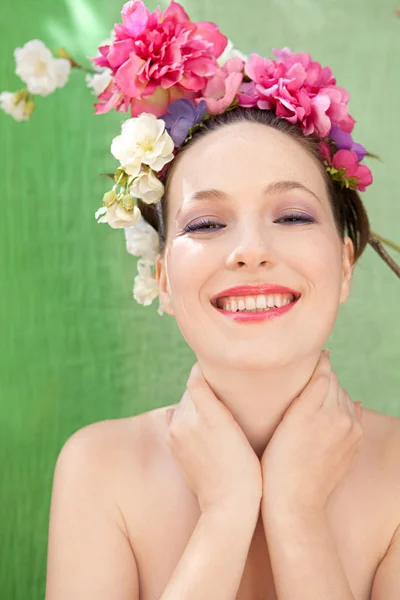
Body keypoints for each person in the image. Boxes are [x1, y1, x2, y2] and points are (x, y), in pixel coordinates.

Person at [42, 2, 400, 599]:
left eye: (290, 215)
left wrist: (297, 514)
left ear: (344, 264)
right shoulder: (97, 469)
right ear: (162, 277)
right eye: (207, 225)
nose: (250, 251)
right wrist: (227, 512)